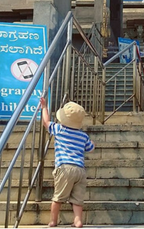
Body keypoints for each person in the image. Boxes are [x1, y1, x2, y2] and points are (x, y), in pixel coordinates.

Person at [40, 98, 94, 228]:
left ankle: (53, 221)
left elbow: (46, 122)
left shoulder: (59, 129)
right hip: (80, 170)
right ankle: (78, 221)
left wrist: (44, 107)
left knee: (58, 197)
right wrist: (94, 144)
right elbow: (90, 148)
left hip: (65, 167)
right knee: (77, 200)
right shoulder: (83, 136)